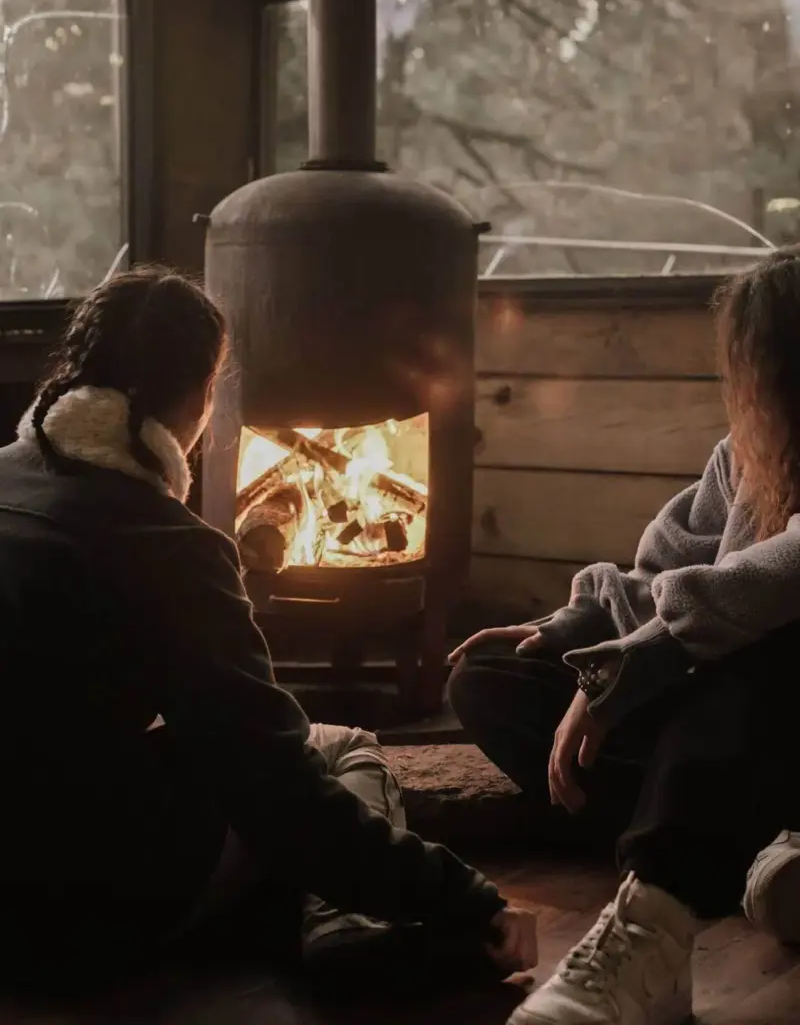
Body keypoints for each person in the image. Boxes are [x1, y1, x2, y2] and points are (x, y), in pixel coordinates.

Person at [0, 264, 537, 985]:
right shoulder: (170, 547)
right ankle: (349, 928)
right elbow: (280, 793)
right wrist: (468, 901)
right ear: (197, 397)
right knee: (336, 748)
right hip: (73, 913)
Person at [449, 245, 800, 1025]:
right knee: (493, 676)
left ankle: (655, 925)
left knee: (766, 647)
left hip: (778, 709)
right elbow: (664, 572)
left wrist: (649, 658)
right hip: (733, 743)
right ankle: (743, 849)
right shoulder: (744, 457)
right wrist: (574, 627)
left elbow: (770, 580)